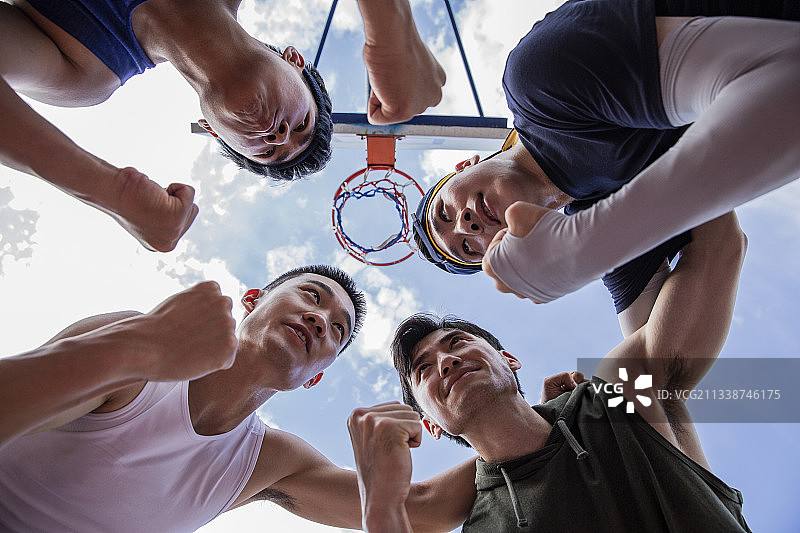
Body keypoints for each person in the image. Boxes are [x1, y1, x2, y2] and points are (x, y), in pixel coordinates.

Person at [349, 212, 752, 531]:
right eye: (423, 370)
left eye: (456, 342)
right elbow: (291, 475)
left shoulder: (615, 394)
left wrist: (581, 179)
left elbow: (720, 246)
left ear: (509, 359)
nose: (445, 361)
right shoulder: (485, 525)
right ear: (431, 426)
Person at [0, 265, 477, 532]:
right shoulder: (142, 350)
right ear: (252, 301)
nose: (319, 320)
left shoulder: (268, 461)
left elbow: (426, 508)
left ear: (316, 377)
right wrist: (136, 347)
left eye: (337, 329)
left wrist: (548, 419)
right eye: (312, 297)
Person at [411, 1, 799, 316]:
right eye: (468, 249)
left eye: (446, 212)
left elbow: (788, 75)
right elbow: (651, 368)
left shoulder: (537, 82)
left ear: (462, 166)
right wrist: (579, 404)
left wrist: (586, 248)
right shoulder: (602, 226)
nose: (465, 225)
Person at [0, 0, 445, 252]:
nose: (278, 136)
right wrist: (391, 24)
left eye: (268, 150)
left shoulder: (85, 74)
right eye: (301, 123)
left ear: (212, 129)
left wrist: (109, 191)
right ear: (293, 61)